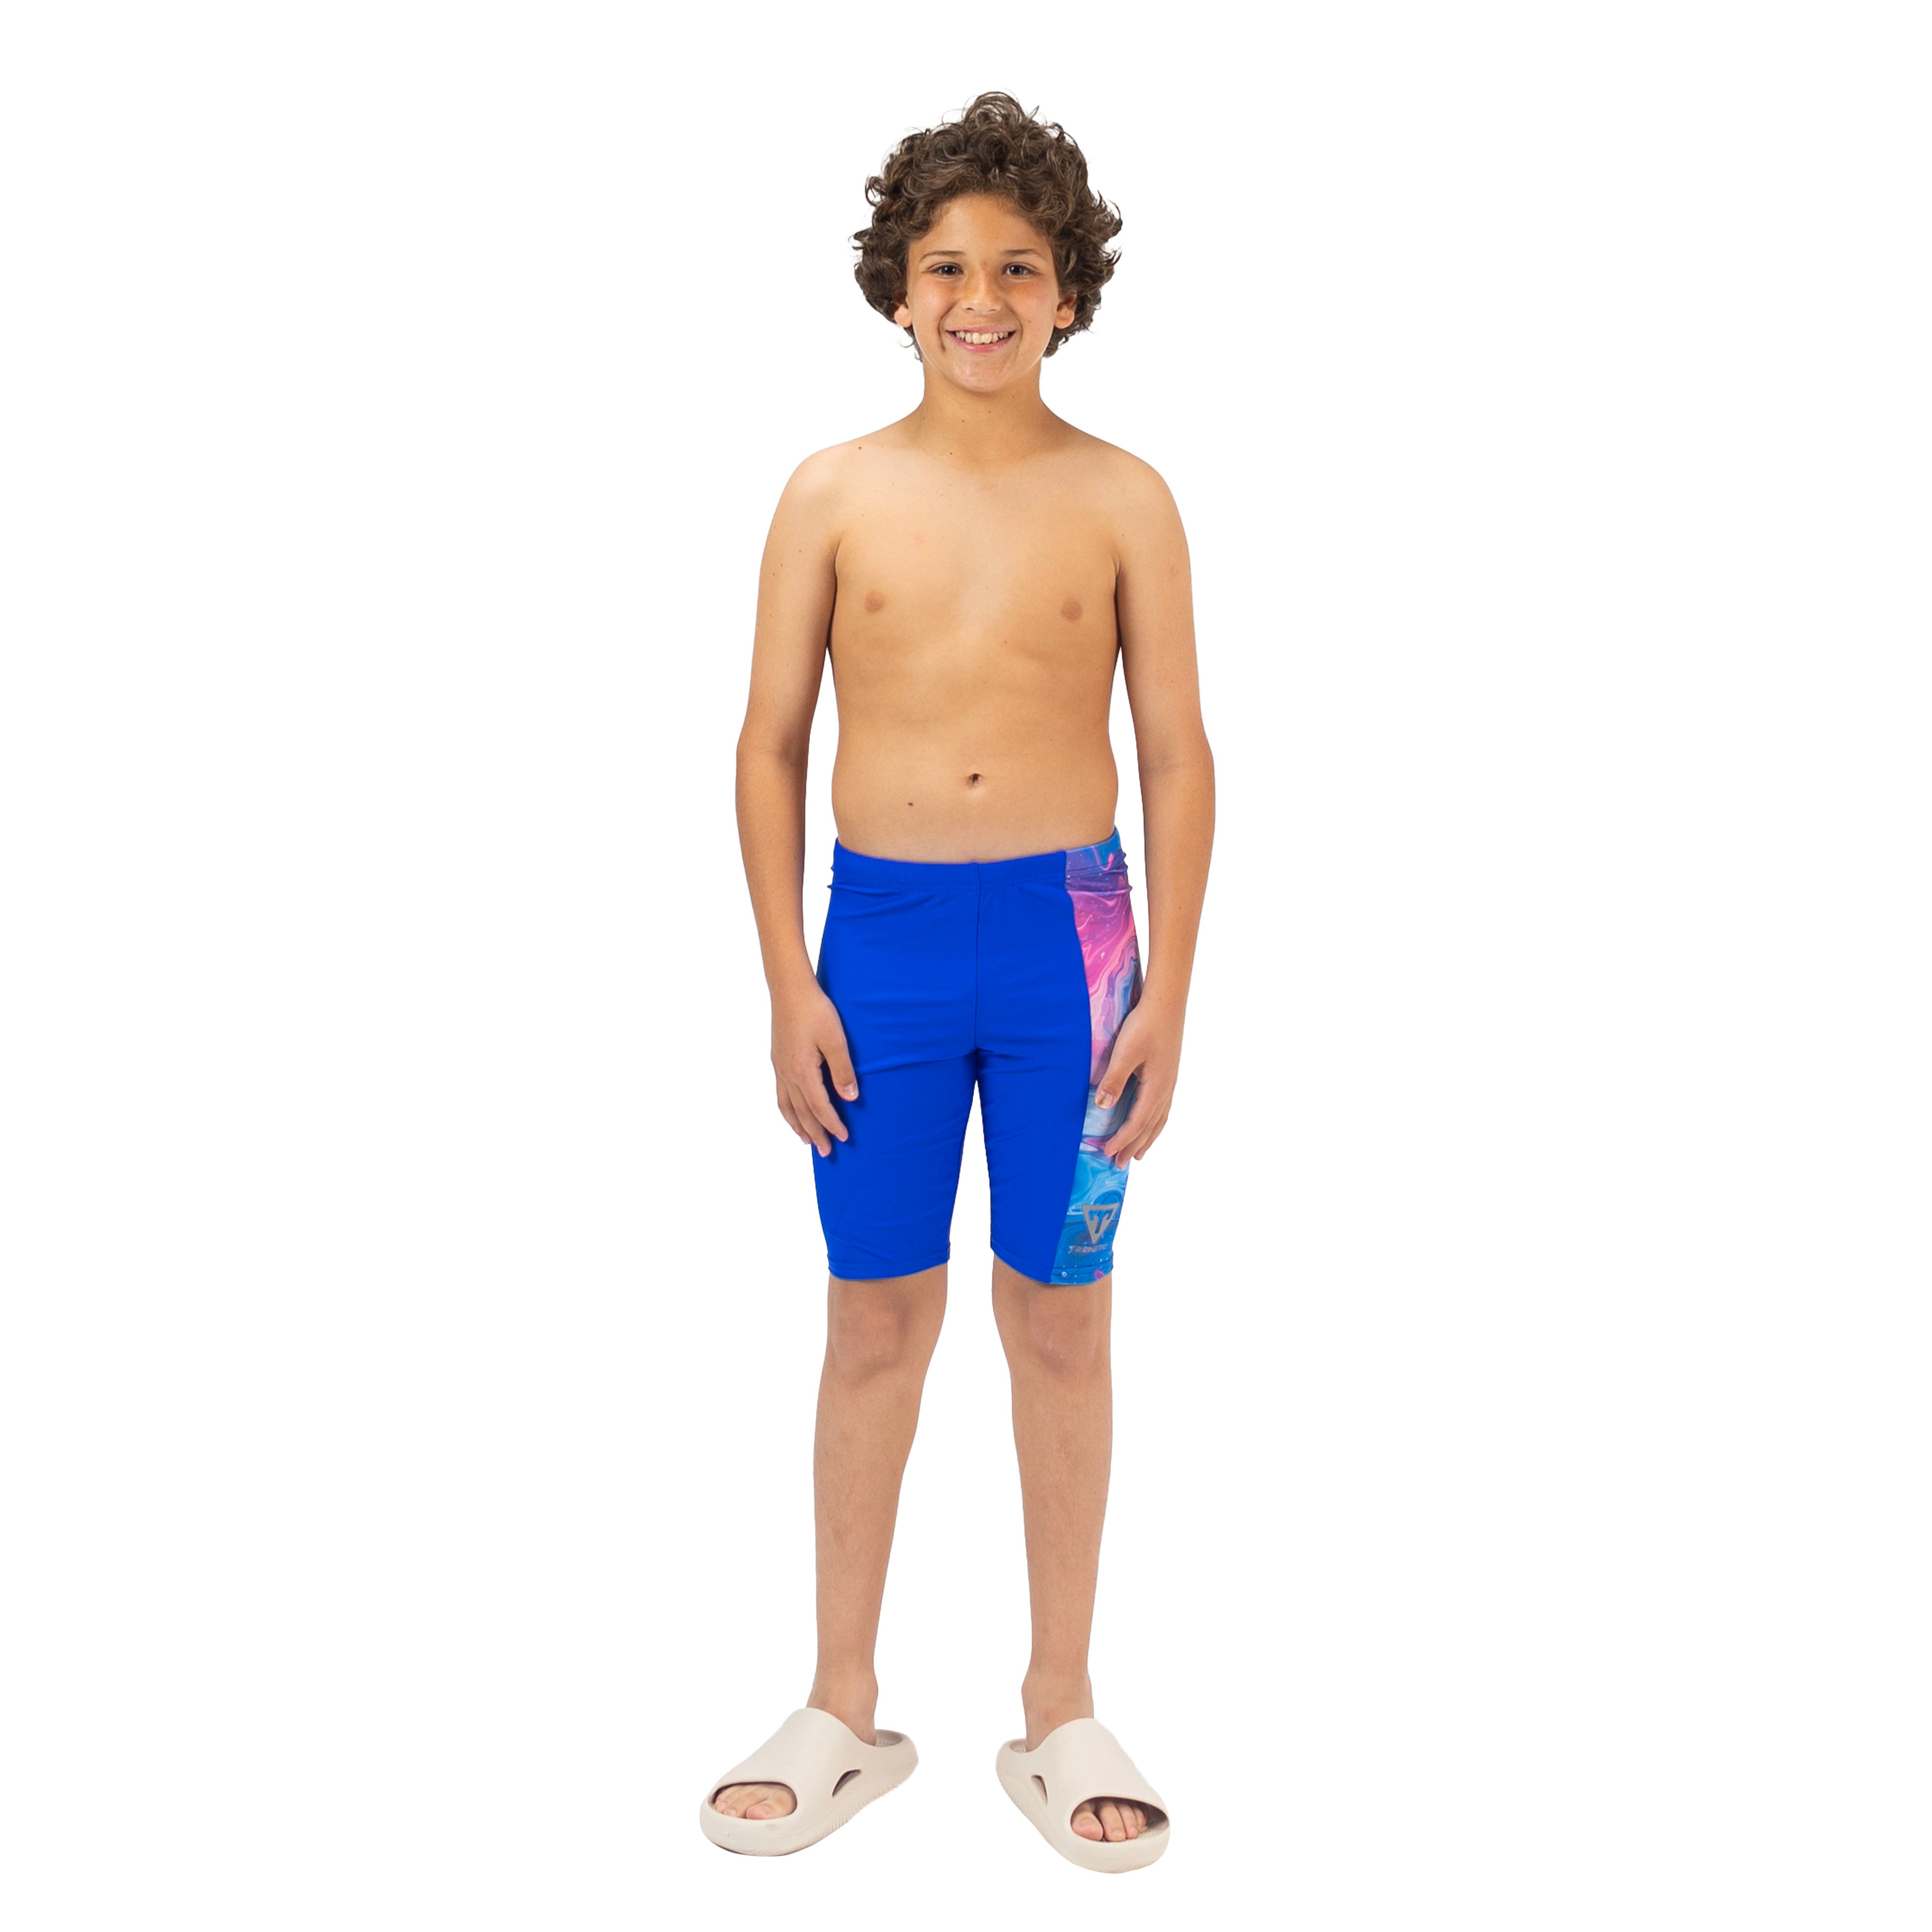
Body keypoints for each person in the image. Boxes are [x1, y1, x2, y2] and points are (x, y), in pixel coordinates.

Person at [701, 92, 1214, 1873]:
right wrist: (789, 978)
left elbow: (1180, 755)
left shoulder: (1125, 497)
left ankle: (1059, 1704)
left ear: (1070, 290)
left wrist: (1168, 995)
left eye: (1017, 268)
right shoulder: (832, 494)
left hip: (1078, 950)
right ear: (896, 287)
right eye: (946, 268)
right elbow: (768, 746)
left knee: (1063, 1316)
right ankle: (843, 1705)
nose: (980, 299)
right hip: (883, 952)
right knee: (874, 1316)